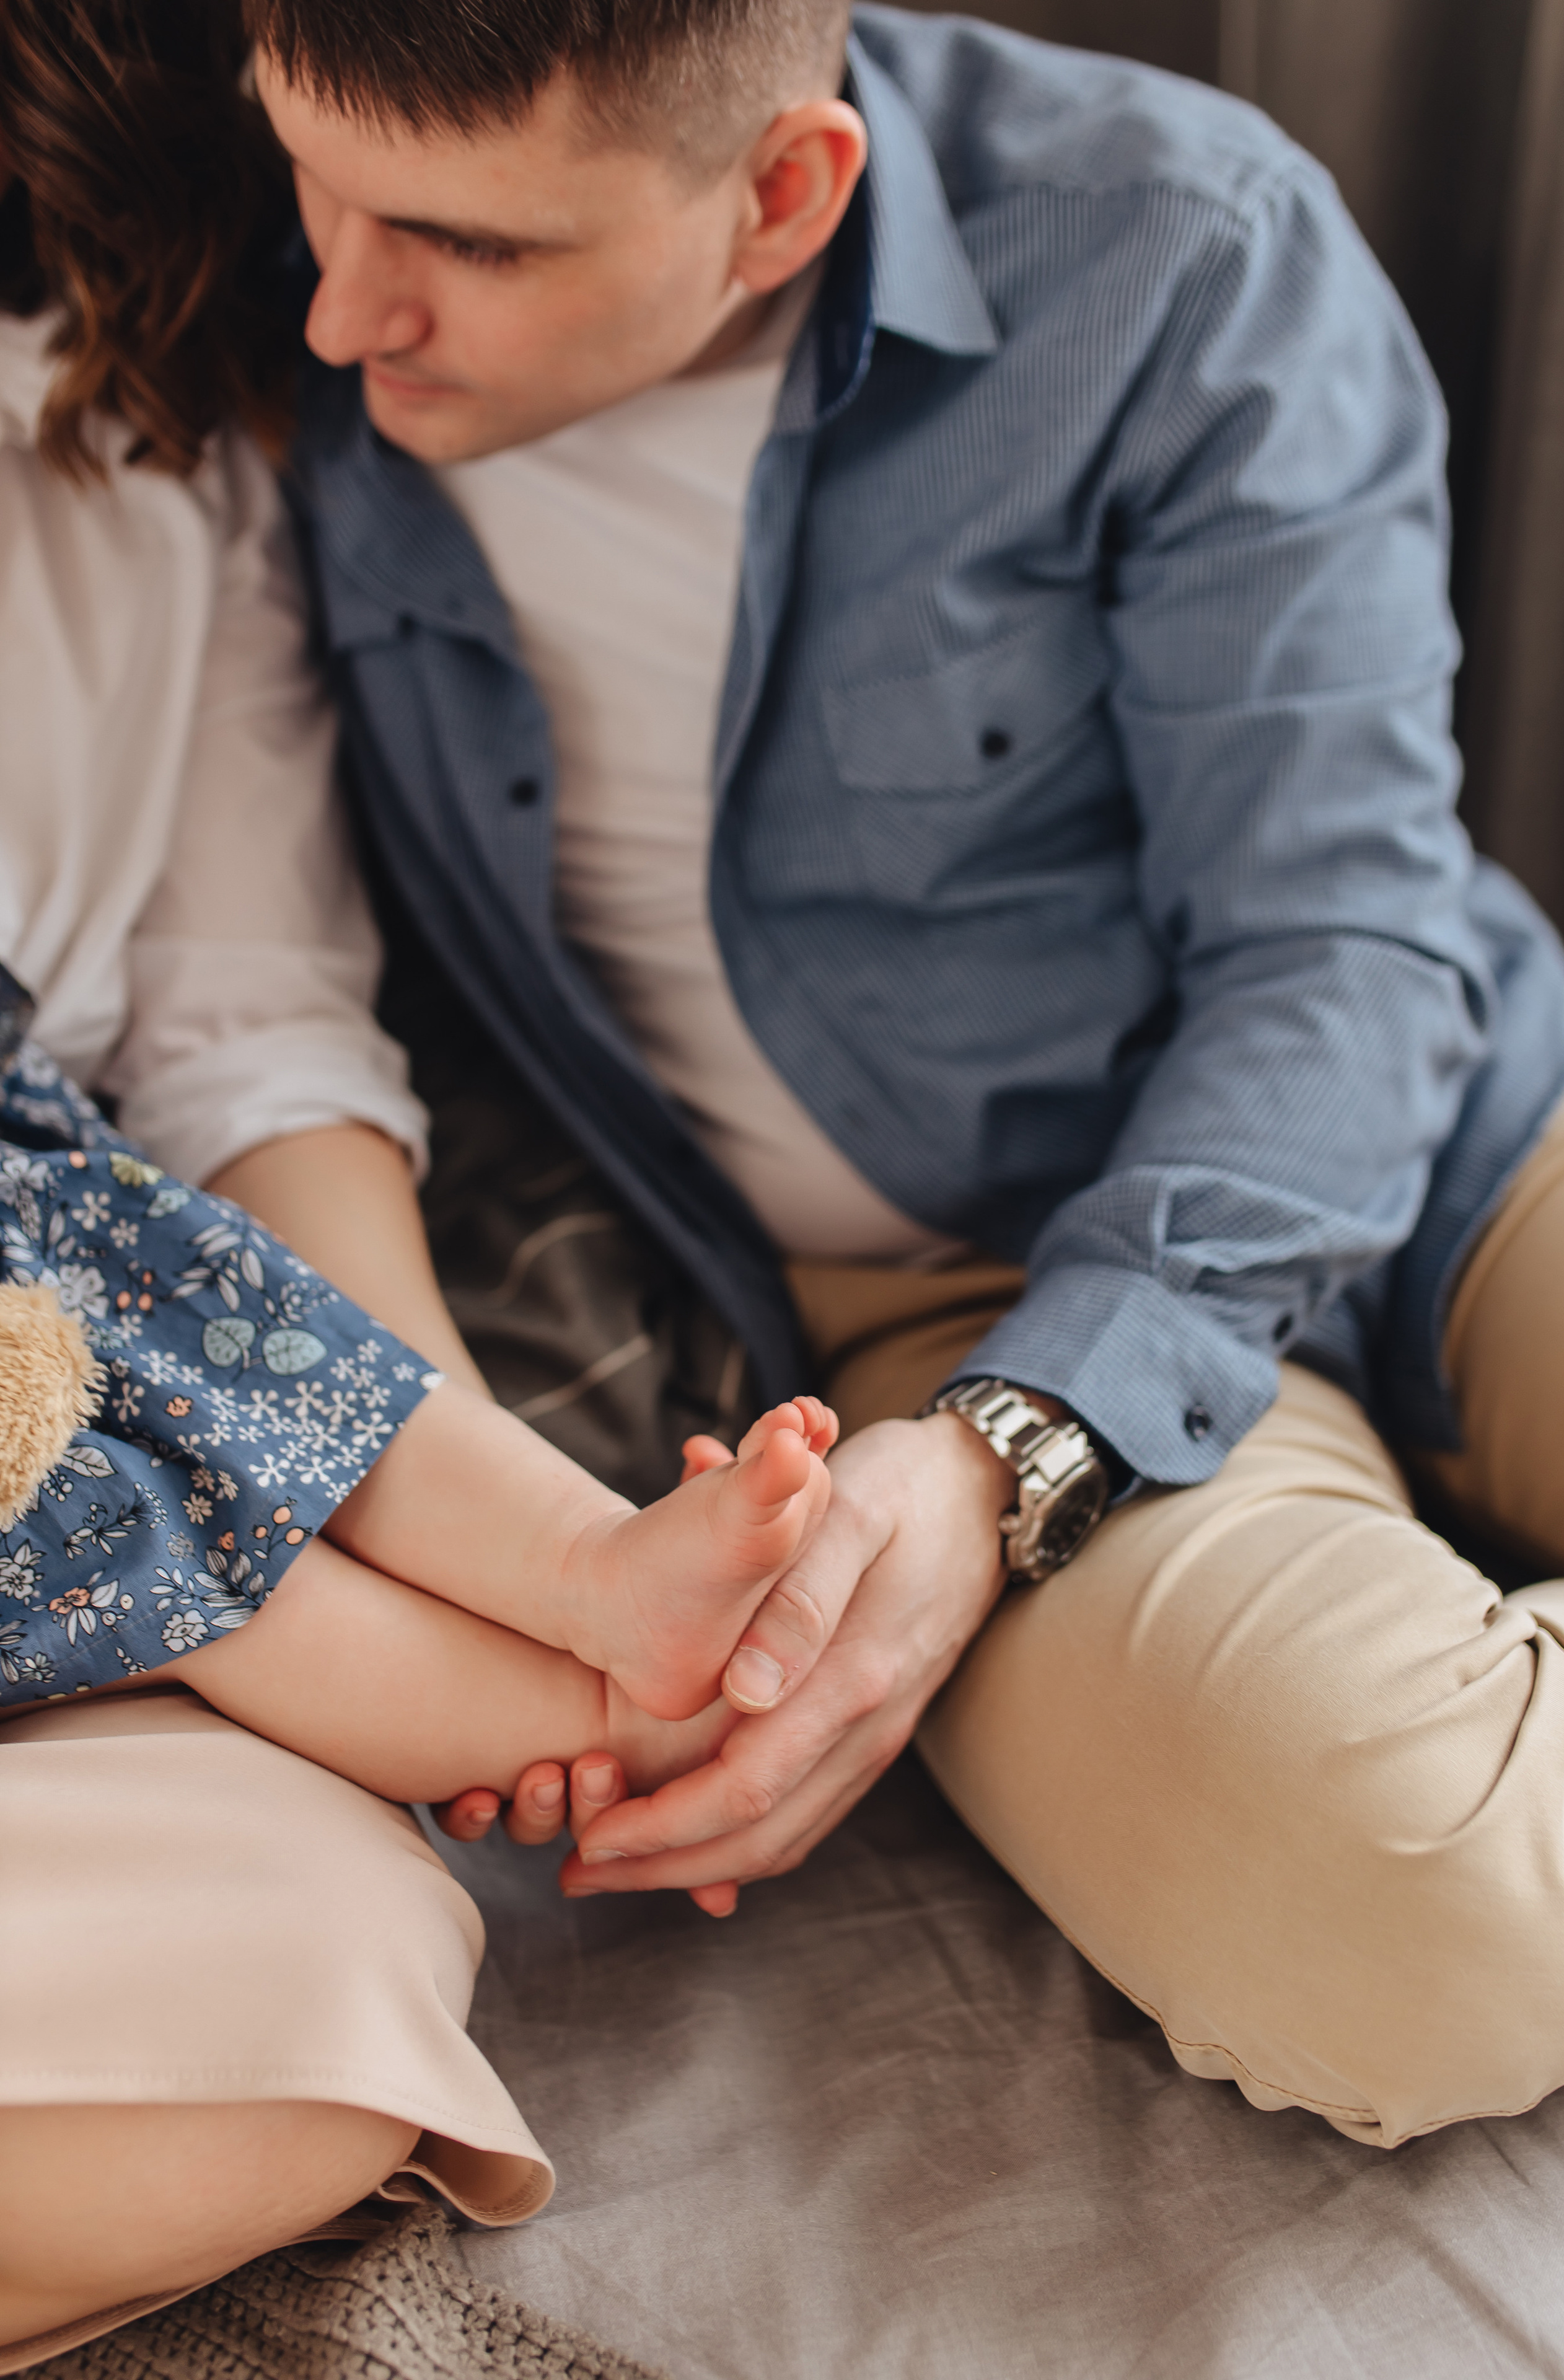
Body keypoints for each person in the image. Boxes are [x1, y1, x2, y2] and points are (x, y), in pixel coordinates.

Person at [259, 0, 1564, 2154]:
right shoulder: (232, 327)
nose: (337, 308)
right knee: (1420, 1924)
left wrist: (1018, 1455)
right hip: (935, 1287)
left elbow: (1340, 940)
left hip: (1461, 1136)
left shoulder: (1176, 244)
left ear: (783, 197)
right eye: (306, 181)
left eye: (472, 246)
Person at [0, 2, 830, 2362]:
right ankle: (537, 1645)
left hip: (39, 1256)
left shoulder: (181, 392)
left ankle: (557, 1618)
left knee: (310, 2013)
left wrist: (544, 1573)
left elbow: (243, 1047)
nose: (375, 298)